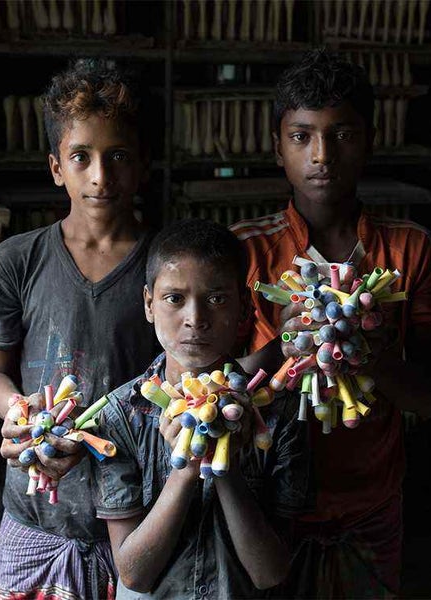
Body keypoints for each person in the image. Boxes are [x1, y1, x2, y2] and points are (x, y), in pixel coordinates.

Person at [232, 47, 431, 598]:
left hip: (370, 500)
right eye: (302, 136)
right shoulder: (244, 252)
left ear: (370, 140)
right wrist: (284, 341)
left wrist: (371, 349)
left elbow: (430, 398)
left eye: (342, 134)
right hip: (269, 500)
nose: (322, 155)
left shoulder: (407, 249)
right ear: (278, 148)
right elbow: (219, 397)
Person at [0, 58, 161, 599]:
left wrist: (111, 435)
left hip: (132, 519)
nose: (100, 175)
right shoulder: (15, 261)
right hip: (34, 512)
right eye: (81, 157)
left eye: (118, 156)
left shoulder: (167, 267)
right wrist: (19, 412)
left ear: (143, 163)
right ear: (56, 166)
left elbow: (180, 381)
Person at [95, 219, 309, 598]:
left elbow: (270, 572)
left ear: (244, 308)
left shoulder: (280, 413)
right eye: (174, 298)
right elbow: (133, 575)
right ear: (149, 304)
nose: (195, 319)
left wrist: (223, 463)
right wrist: (187, 468)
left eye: (216, 299)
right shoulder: (120, 415)